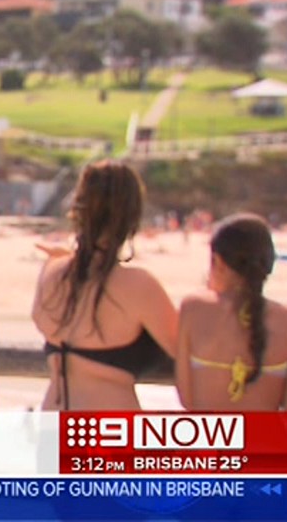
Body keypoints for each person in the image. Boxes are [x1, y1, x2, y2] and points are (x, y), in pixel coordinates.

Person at [32, 160, 177, 410]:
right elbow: (186, 349)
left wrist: (67, 256)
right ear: (132, 216)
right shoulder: (138, 286)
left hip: (52, 422)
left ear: (78, 211)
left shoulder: (51, 273)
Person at [176, 214, 287, 410]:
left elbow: (187, 398)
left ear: (218, 262)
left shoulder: (193, 309)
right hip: (264, 431)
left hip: (208, 430)